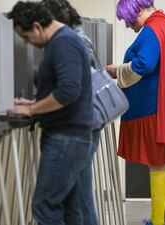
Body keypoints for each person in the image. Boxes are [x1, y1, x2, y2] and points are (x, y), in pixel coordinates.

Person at [106, 1, 165, 225]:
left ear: (138, 10)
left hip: (151, 109)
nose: (129, 25)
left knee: (158, 163)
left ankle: (156, 222)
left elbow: (144, 65)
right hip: (163, 107)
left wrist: (118, 70)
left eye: (129, 19)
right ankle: (162, 219)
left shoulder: (152, 29)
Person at [7, 2, 94, 224]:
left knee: (44, 205)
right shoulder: (62, 41)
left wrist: (31, 109)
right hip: (70, 136)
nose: (27, 42)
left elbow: (68, 91)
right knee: (70, 208)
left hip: (66, 138)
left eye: (25, 36)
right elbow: (62, 88)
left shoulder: (63, 43)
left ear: (37, 26)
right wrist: (34, 101)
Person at [39, 0, 101, 224]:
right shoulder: (79, 40)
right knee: (77, 200)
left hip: (80, 127)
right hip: (86, 125)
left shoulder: (72, 43)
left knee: (82, 200)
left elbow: (71, 88)